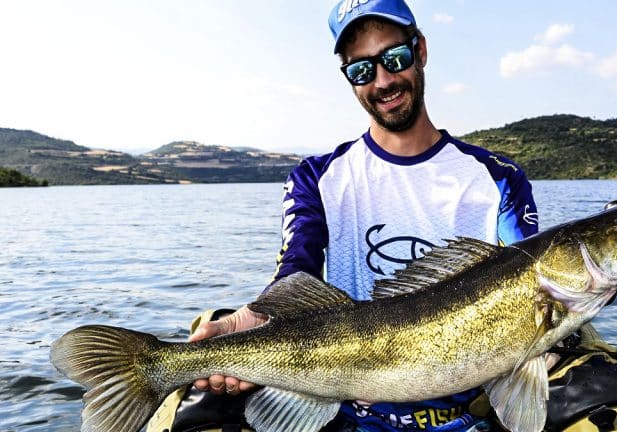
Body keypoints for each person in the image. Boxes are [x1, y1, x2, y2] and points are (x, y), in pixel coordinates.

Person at [187, 0, 538, 430]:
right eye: (361, 69)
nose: (383, 80)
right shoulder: (316, 178)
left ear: (421, 50)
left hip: (467, 418)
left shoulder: (499, 179)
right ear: (349, 79)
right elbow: (297, 266)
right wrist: (258, 316)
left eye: (395, 57)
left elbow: (527, 278)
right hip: (348, 415)